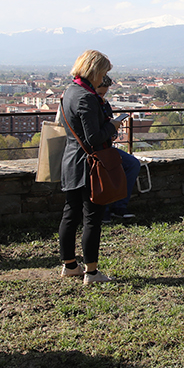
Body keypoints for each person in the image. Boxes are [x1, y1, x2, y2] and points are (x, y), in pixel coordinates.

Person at [58, 50, 118, 283]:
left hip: (71, 160)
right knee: (91, 217)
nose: (103, 78)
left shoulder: (70, 92)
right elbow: (93, 137)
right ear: (93, 70)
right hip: (88, 165)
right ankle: (91, 271)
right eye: (102, 73)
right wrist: (112, 126)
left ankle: (69, 265)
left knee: (70, 215)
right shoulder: (87, 97)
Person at [95, 74, 140, 220]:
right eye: (100, 93)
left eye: (104, 93)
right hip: (95, 149)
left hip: (107, 146)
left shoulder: (104, 104)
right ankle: (104, 209)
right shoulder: (87, 104)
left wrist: (112, 131)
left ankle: (119, 206)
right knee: (107, 167)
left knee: (133, 164)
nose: (102, 96)